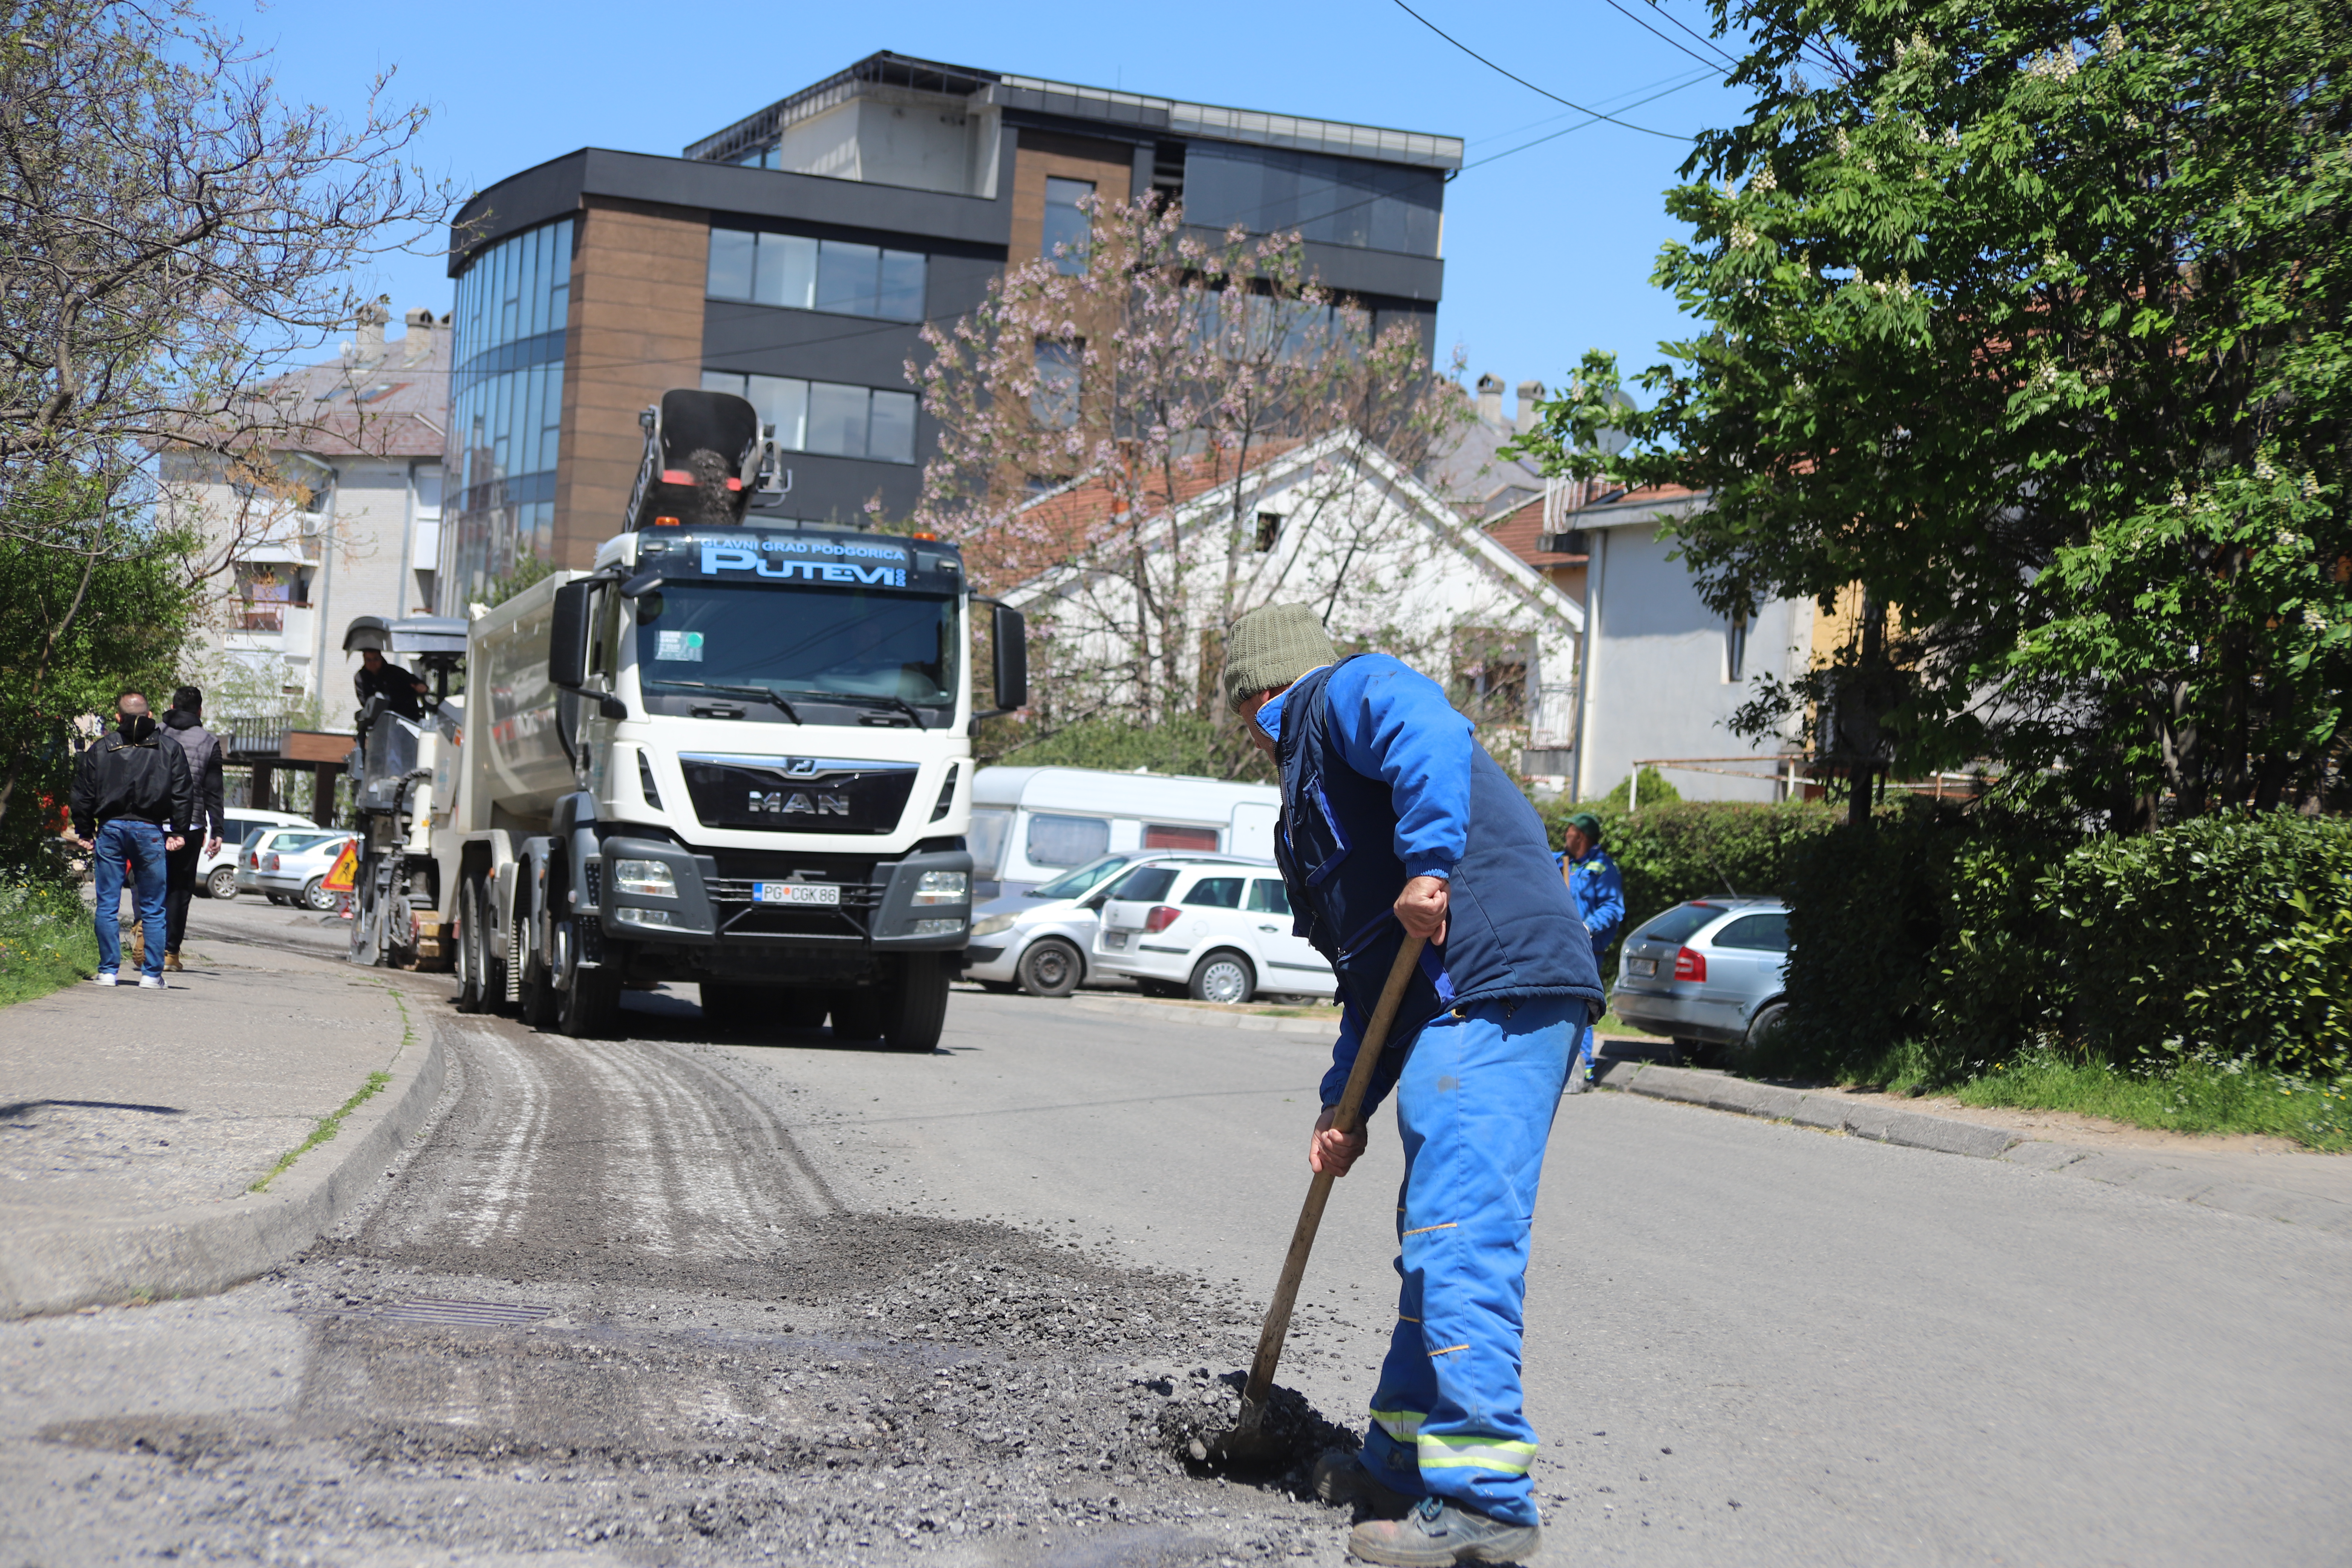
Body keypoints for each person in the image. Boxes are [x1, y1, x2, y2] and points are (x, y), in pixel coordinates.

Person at [1223, 603, 1605, 1567]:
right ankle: (1394, 1465)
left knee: (1459, 1233)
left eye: (1242, 713)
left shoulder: (1341, 692)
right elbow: (1371, 971)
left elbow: (1427, 726)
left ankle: (1484, 1499)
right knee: (1430, 1236)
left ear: (1256, 696)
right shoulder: (1311, 795)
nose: (1248, 734)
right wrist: (1344, 1100)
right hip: (1456, 1002)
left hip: (1492, 987)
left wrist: (1432, 860)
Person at [70, 691, 194, 989]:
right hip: (150, 832)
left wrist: (85, 832)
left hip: (111, 830)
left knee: (108, 904)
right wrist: (178, 832)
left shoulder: (100, 749)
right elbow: (183, 793)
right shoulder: (170, 749)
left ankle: (108, 971)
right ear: (150, 716)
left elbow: (83, 794)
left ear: (117, 718)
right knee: (153, 907)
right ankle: (152, 975)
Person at [1556, 811, 1625, 1094]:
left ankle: (1583, 1071)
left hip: (1586, 950)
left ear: (1580, 836)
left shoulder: (1603, 868)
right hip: (1557, 947)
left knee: (1583, 1008)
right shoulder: (1559, 861)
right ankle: (1559, 1068)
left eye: (1569, 831)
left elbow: (1613, 907)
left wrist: (1588, 927)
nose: (1566, 836)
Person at [159, 686, 227, 972]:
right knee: (180, 889)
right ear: (200, 711)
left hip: (152, 821)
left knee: (148, 881)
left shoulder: (155, 733)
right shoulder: (209, 742)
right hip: (191, 825)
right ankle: (170, 953)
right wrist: (218, 830)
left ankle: (144, 933)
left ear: (173, 705)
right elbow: (214, 791)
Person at [354, 646, 428, 721]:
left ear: (381, 658)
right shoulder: (360, 678)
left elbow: (416, 683)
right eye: (369, 660)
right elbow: (365, 702)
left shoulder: (396, 672)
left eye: (376, 659)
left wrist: (421, 687)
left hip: (405, 717)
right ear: (364, 660)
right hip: (380, 720)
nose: (373, 663)